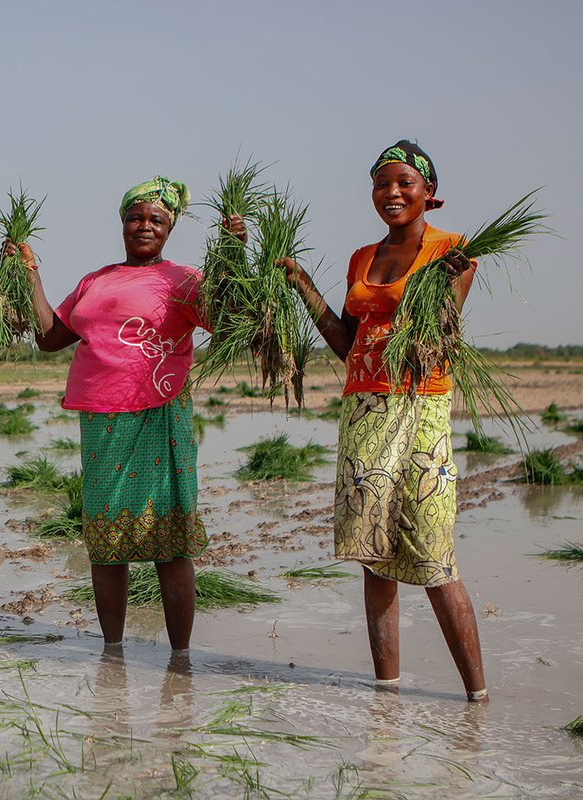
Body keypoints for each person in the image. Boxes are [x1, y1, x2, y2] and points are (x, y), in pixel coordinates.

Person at [279, 139, 487, 701]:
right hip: (365, 409)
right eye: (381, 184)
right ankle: (386, 693)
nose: (391, 193)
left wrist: (449, 282)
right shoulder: (361, 258)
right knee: (375, 555)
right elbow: (347, 344)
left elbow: (441, 331)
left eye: (404, 183)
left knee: (434, 554)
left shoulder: (453, 250)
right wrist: (302, 285)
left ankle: (477, 698)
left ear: (429, 193)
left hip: (420, 408)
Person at [22, 177, 242, 651]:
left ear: (169, 229)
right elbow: (49, 338)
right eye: (136, 217)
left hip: (160, 413)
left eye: (156, 220)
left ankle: (181, 656)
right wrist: (31, 275)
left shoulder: (183, 279)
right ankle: (113, 652)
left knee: (171, 539)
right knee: (106, 541)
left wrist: (232, 259)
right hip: (103, 419)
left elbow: (228, 322)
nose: (144, 226)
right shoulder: (94, 280)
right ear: (122, 223)